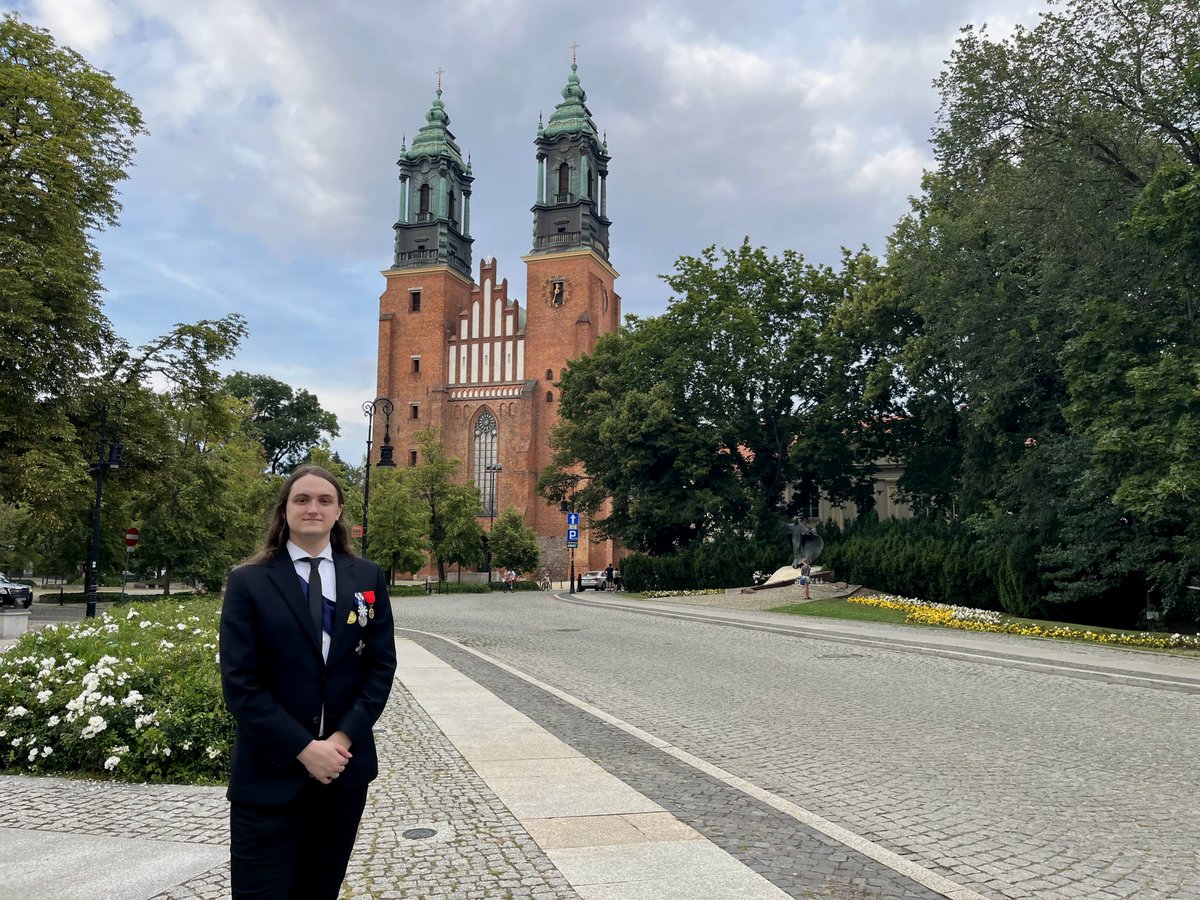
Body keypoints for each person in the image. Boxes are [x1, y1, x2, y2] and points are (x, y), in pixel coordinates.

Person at [219, 465, 397, 900]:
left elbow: (380, 668)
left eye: (324, 500)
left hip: (342, 773)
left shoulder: (366, 577)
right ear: (285, 510)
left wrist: (340, 740)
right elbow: (241, 683)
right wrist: (303, 749)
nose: (312, 508)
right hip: (268, 773)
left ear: (339, 512)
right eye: (301, 499)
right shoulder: (248, 580)